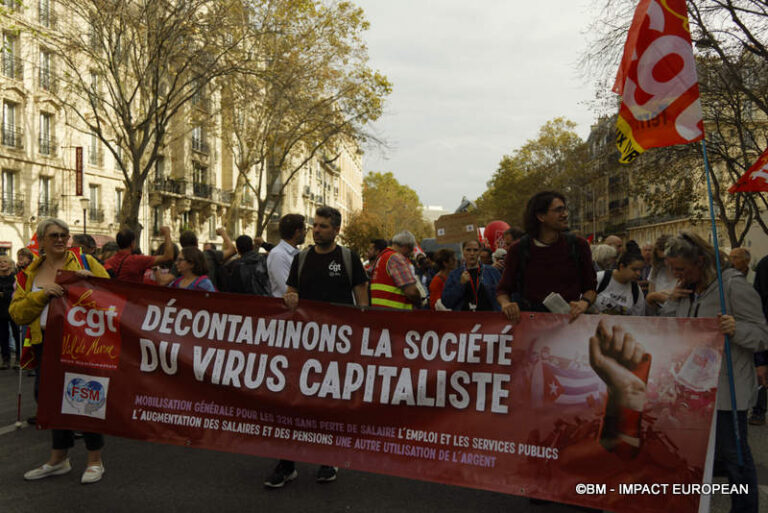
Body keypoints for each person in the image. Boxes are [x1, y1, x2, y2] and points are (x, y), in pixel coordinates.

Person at [659, 232, 766, 513]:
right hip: (690, 389)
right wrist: (672, 301)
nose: (675, 274)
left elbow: (761, 334)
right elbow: (668, 330)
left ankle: (744, 509)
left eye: (680, 269)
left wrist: (737, 329)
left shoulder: (733, 287)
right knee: (691, 455)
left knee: (736, 458)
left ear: (700, 261)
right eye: (672, 269)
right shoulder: (686, 288)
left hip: (727, 390)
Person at [266, 206, 368, 488]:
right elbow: (292, 290)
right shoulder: (301, 259)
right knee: (293, 403)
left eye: (323, 226)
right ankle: (286, 464)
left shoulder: (348, 259)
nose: (317, 230)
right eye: (315, 225)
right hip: (304, 344)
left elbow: (362, 301)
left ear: (336, 230)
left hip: (338, 346)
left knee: (328, 404)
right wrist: (290, 297)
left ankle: (327, 459)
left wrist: (361, 338)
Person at [10, 218, 110, 484]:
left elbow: (114, 298)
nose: (60, 239)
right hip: (45, 344)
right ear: (41, 240)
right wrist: (42, 296)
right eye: (53, 235)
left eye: (64, 235)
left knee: (86, 398)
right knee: (48, 399)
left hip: (81, 344)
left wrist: (92, 286)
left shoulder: (85, 263)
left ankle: (94, 459)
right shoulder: (27, 273)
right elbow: (17, 313)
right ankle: (58, 458)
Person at [497, 191, 597, 323]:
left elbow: (591, 289)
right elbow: (503, 290)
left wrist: (583, 303)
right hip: (531, 328)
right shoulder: (518, 249)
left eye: (565, 209)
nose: (565, 214)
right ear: (541, 216)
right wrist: (506, 304)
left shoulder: (578, 245)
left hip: (569, 327)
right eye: (558, 210)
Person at [442, 239, 501, 312]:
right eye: (468, 250)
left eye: (475, 250)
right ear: (463, 252)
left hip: (488, 318)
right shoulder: (454, 274)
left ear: (480, 252)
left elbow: (502, 295)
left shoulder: (492, 272)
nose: (472, 253)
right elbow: (446, 303)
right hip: (464, 319)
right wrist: (460, 284)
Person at [370, 231, 421, 310]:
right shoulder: (396, 258)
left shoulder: (382, 257)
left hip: (380, 312)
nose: (410, 254)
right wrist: (420, 302)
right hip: (396, 314)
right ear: (405, 247)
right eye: (411, 250)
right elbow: (411, 292)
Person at [105, 226, 173, 282]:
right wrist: (167, 233)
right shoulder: (137, 260)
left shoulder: (108, 262)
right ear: (132, 244)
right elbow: (168, 256)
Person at [593, 249, 646, 316]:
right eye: (634, 269)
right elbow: (582, 302)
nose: (638, 273)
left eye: (640, 270)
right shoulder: (600, 278)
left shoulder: (636, 290)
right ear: (622, 266)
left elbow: (638, 318)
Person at [266, 214, 306, 298]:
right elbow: (286, 289)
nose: (305, 233)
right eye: (304, 230)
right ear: (297, 232)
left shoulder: (297, 254)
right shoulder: (278, 255)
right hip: (284, 308)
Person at [750, 253, 768, 426]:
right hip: (766, 327)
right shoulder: (765, 264)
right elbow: (758, 303)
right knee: (762, 371)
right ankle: (758, 410)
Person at [0, 255, 19, 369]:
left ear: (11, 264)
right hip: (1, 310)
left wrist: (4, 294)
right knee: (3, 336)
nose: (1, 264)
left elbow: (17, 292)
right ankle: (5, 360)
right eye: (0, 262)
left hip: (14, 309)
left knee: (17, 335)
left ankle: (18, 359)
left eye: (4, 261)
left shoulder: (15, 277)